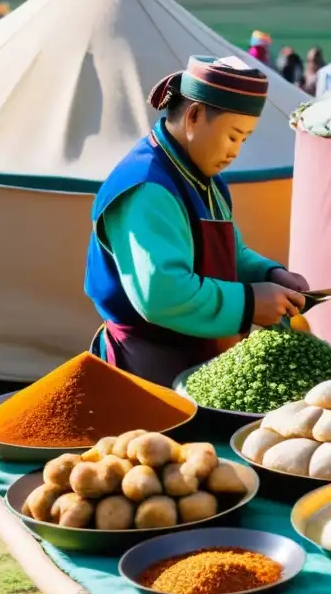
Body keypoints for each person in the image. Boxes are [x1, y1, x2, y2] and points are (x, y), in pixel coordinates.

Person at [85, 55, 309, 386]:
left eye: (244, 140)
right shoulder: (147, 187)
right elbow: (162, 294)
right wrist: (250, 302)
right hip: (149, 363)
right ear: (193, 116)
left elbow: (231, 252)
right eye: (233, 136)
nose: (236, 151)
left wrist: (270, 274)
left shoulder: (206, 180)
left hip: (203, 355)